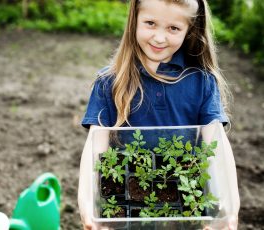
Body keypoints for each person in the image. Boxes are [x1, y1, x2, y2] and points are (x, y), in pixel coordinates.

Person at [77, 0, 240, 229]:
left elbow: (216, 145)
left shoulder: (202, 81)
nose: (159, 38)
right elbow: (96, 147)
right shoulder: (109, 82)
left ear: (189, 29)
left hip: (185, 205)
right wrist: (87, 206)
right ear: (134, 20)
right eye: (151, 23)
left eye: (173, 28)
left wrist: (228, 208)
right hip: (124, 210)